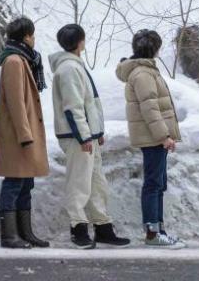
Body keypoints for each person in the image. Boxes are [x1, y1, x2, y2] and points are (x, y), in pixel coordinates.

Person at [50, 24, 130, 249]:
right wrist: (85, 136)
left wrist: (96, 133)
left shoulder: (75, 66)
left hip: (86, 136)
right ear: (79, 42)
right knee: (79, 183)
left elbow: (89, 104)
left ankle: (103, 227)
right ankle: (78, 229)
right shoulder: (68, 68)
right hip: (77, 137)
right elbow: (73, 107)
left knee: (96, 183)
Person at [115, 29, 184, 248]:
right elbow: (150, 108)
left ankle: (158, 230)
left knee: (157, 183)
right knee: (154, 184)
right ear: (154, 49)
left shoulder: (144, 71)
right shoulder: (143, 73)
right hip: (153, 138)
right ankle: (153, 233)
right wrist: (164, 136)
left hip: (153, 137)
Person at [0, 17, 50, 249]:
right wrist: (25, 135)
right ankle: (9, 235)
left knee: (26, 183)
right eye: (32, 35)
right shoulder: (14, 61)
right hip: (18, 135)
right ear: (26, 36)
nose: (34, 39)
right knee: (14, 182)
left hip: (26, 133)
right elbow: (15, 102)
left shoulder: (24, 60)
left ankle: (25, 232)